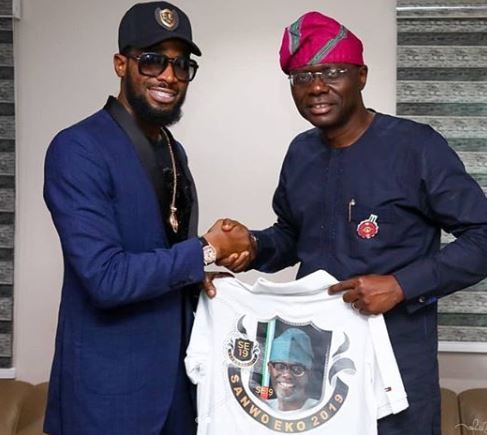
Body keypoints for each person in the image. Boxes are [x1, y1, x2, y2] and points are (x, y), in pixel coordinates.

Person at [213, 11, 487, 435]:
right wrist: (253, 247)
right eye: (302, 76)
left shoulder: (415, 147)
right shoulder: (300, 153)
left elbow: (482, 236)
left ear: (361, 76)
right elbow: (292, 236)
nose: (316, 87)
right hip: (315, 369)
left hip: (395, 365)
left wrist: (401, 285)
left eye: (332, 72)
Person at [42, 2, 252, 434]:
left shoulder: (174, 151)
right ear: (122, 64)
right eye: (153, 60)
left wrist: (198, 275)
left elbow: (162, 252)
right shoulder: (78, 148)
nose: (169, 76)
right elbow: (105, 278)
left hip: (180, 390)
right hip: (107, 398)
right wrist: (206, 250)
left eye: (181, 64)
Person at [266, 328, 318, 412]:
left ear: (309, 374)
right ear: (270, 368)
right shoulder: (262, 407)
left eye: (297, 369)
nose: (287, 375)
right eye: (280, 367)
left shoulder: (319, 409)